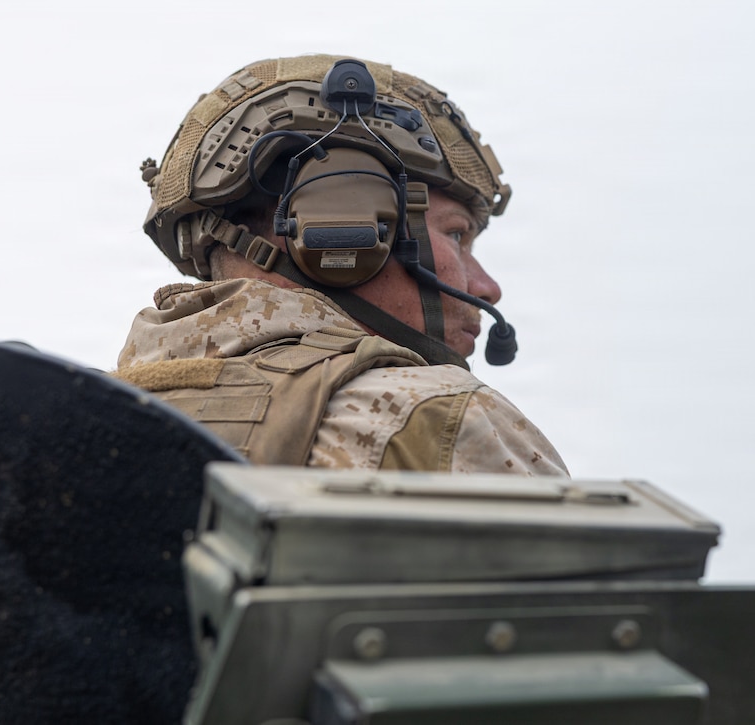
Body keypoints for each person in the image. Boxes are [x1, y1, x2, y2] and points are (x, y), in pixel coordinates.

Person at [114, 53, 567, 476]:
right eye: (456, 234)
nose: (488, 288)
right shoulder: (440, 417)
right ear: (342, 218)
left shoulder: (86, 410)